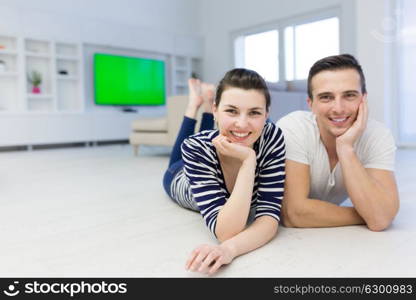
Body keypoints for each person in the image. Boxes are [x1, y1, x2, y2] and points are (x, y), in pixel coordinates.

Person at [163, 68, 285, 275]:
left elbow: (269, 216)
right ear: (216, 110)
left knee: (215, 135)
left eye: (255, 112)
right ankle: (194, 105)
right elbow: (227, 231)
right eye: (231, 111)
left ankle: (200, 104)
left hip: (210, 149)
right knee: (176, 160)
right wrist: (248, 162)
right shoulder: (195, 148)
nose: (242, 123)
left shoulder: (271, 137)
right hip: (178, 177)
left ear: (267, 114)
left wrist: (248, 160)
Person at [276, 54, 399, 231]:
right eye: (326, 97)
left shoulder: (377, 135)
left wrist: (346, 147)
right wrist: (367, 213)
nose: (339, 109)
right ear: (310, 103)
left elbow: (380, 219)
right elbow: (294, 214)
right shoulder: (293, 128)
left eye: (349, 95)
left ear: (363, 99)